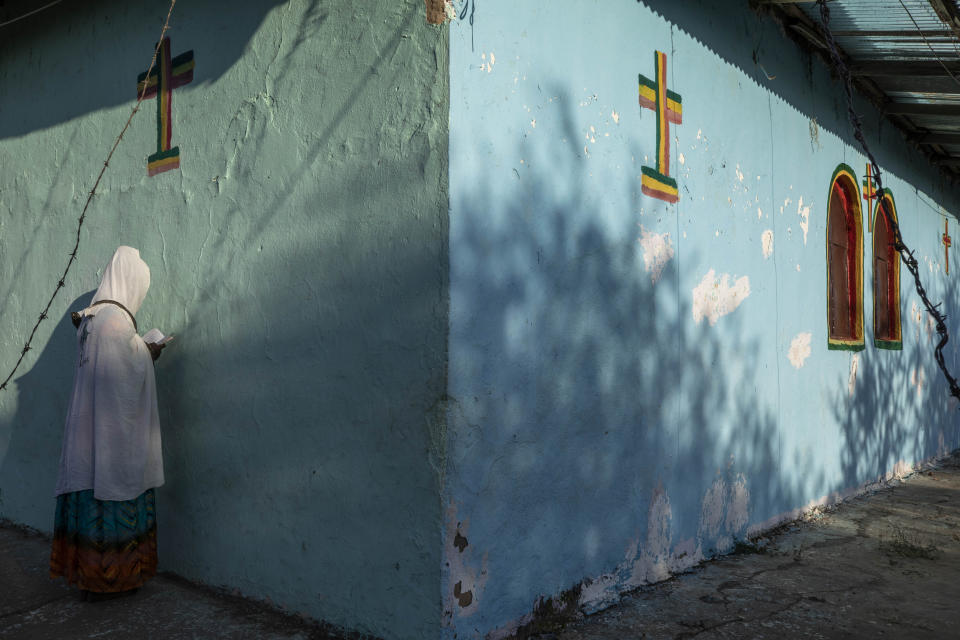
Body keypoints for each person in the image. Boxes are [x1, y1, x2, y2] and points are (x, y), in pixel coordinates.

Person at [49, 246, 167, 601]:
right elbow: (127, 373)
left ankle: (87, 577)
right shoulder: (114, 322)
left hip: (84, 438)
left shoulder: (89, 318)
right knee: (114, 495)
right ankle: (114, 582)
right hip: (109, 442)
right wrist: (150, 351)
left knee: (87, 494)